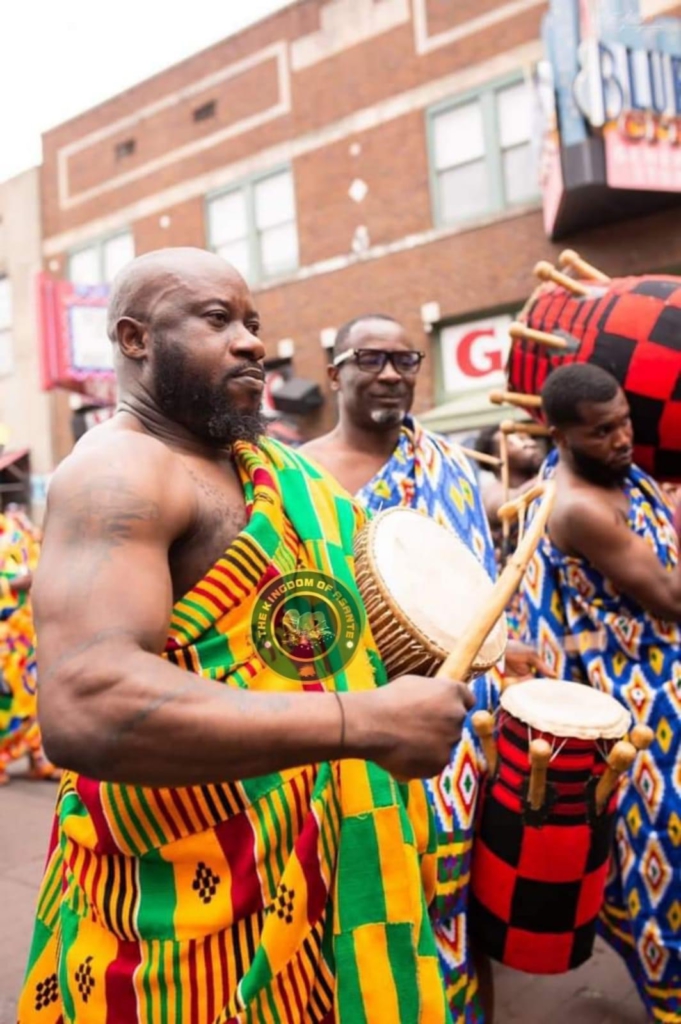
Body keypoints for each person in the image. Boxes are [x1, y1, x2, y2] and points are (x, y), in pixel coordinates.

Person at [18, 250, 474, 1024]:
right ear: (134, 339)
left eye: (254, 323)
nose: (252, 343)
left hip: (323, 877)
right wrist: (361, 724)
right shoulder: (119, 470)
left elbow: (328, 645)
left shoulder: (287, 479)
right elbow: (85, 703)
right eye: (216, 319)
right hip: (181, 919)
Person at [301, 314, 551, 1023]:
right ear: (335, 371)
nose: (389, 371)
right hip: (349, 720)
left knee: (457, 901)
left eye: (403, 358)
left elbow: (476, 575)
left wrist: (509, 644)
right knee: (359, 897)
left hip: (457, 724)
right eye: (369, 357)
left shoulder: (449, 467)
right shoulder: (297, 476)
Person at [521, 363, 681, 1022]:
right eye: (600, 432)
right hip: (643, 703)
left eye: (623, 422)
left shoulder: (615, 475)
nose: (622, 441)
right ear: (554, 433)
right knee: (664, 856)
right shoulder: (579, 507)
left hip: (660, 683)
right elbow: (670, 597)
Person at [0, 507, 57, 784]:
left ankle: (38, 756)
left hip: (25, 629)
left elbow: (39, 562)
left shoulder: (16, 529)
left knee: (34, 692)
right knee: (4, 698)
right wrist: (9, 585)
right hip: (2, 631)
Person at [474, 423, 545, 637]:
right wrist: (556, 471)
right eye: (515, 440)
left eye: (528, 437)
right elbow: (509, 505)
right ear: (496, 457)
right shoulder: (492, 493)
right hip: (517, 609)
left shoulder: (551, 479)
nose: (529, 443)